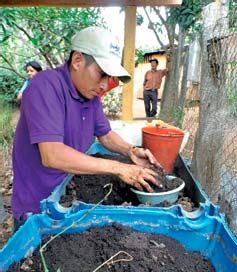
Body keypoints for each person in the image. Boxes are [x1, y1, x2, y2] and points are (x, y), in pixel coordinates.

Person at [11, 26, 161, 231]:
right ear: (78, 60)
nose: (104, 84)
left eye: (109, 77)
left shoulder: (90, 95)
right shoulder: (44, 87)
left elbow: (105, 134)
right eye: (101, 74)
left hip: (67, 193)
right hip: (38, 206)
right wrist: (119, 168)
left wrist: (131, 151)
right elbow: (52, 155)